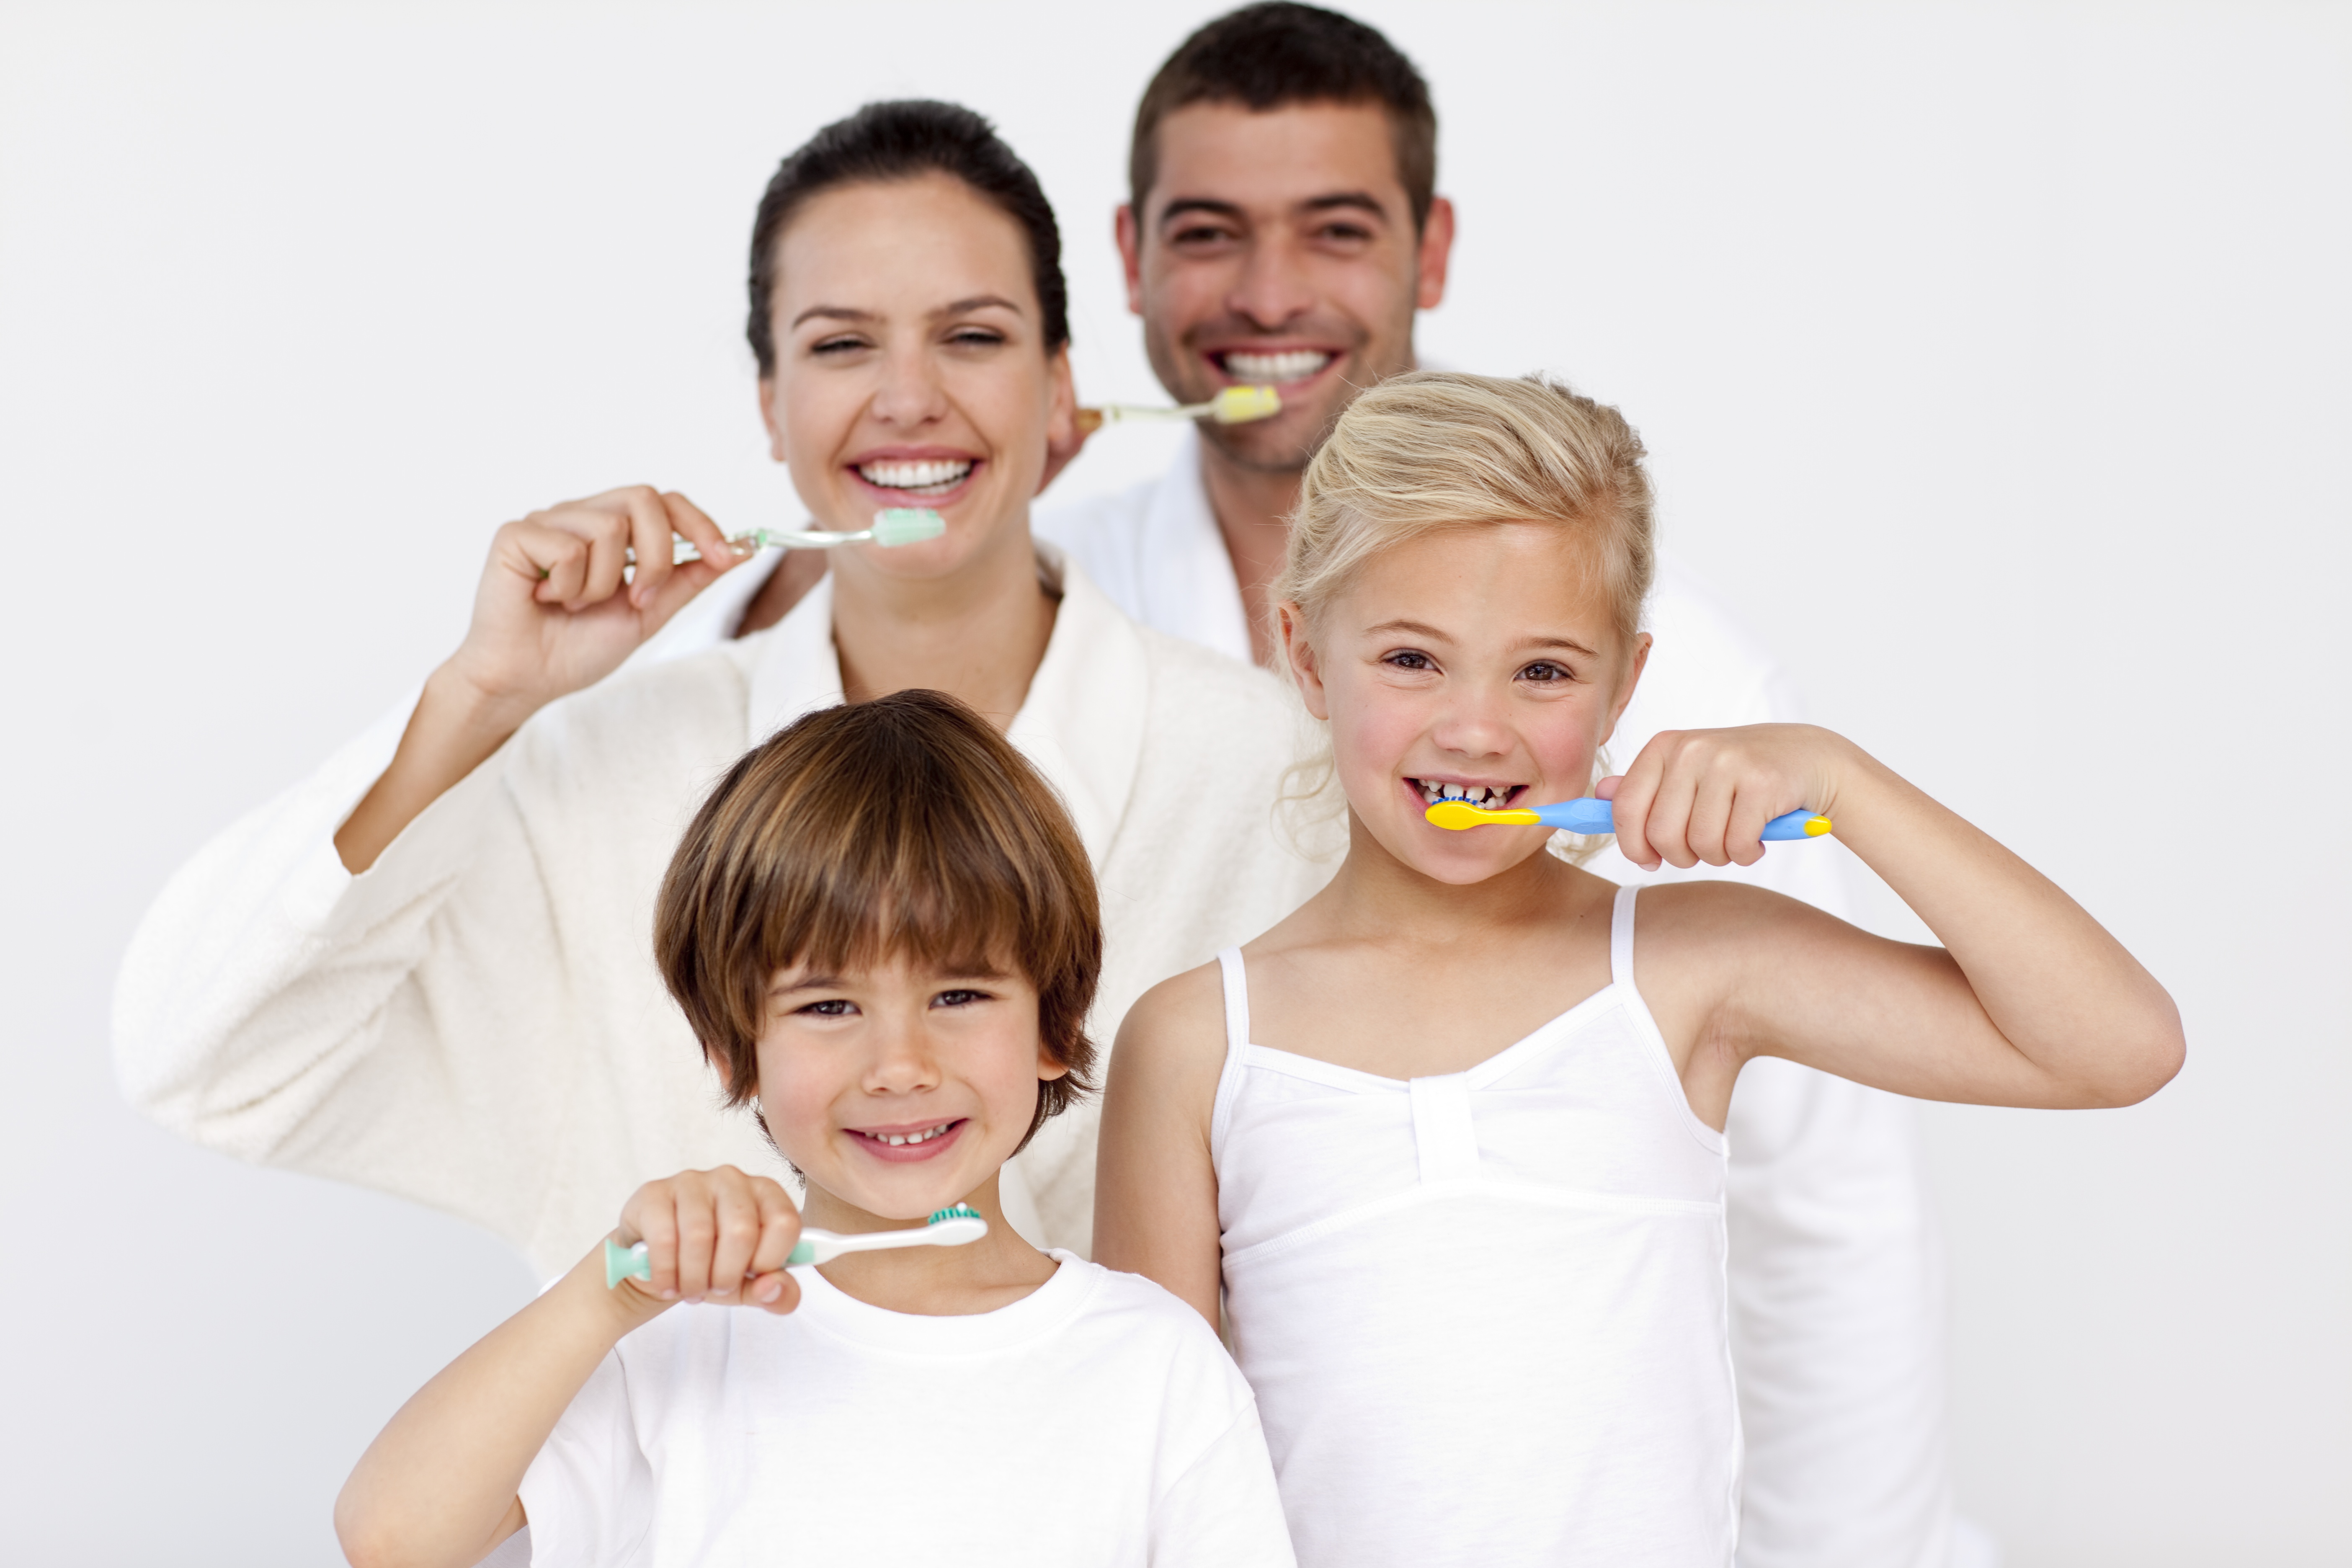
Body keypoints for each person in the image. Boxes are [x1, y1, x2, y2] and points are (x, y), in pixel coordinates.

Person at [1030, 7, 1960, 1561]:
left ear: (1429, 247)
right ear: (1127, 257)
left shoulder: (1689, 689)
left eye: (1334, 228)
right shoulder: (1062, 628)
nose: (1267, 295)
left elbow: (1824, 1199)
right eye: (1208, 234)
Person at [111, 101, 1329, 1281]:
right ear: (769, 406)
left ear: (1062, 391)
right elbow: (210, 1065)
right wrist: (482, 698)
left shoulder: (1261, 769)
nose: (908, 396)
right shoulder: (597, 780)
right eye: (842, 344)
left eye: (972, 336)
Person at [1093, 372, 2183, 1567]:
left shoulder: (1686, 963)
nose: (1476, 727)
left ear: (1626, 682)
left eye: (1545, 672)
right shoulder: (1199, 1041)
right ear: (1303, 654)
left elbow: (2117, 1048)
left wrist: (1842, 780)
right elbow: (1155, 1476)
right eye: (1413, 659)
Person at [335, 691, 1297, 1568]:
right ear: (732, 1046)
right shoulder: (662, 1340)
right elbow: (391, 1540)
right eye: (830, 1008)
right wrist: (609, 1295)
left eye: (959, 994)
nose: (900, 1066)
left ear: (1055, 1026)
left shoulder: (1153, 1366)